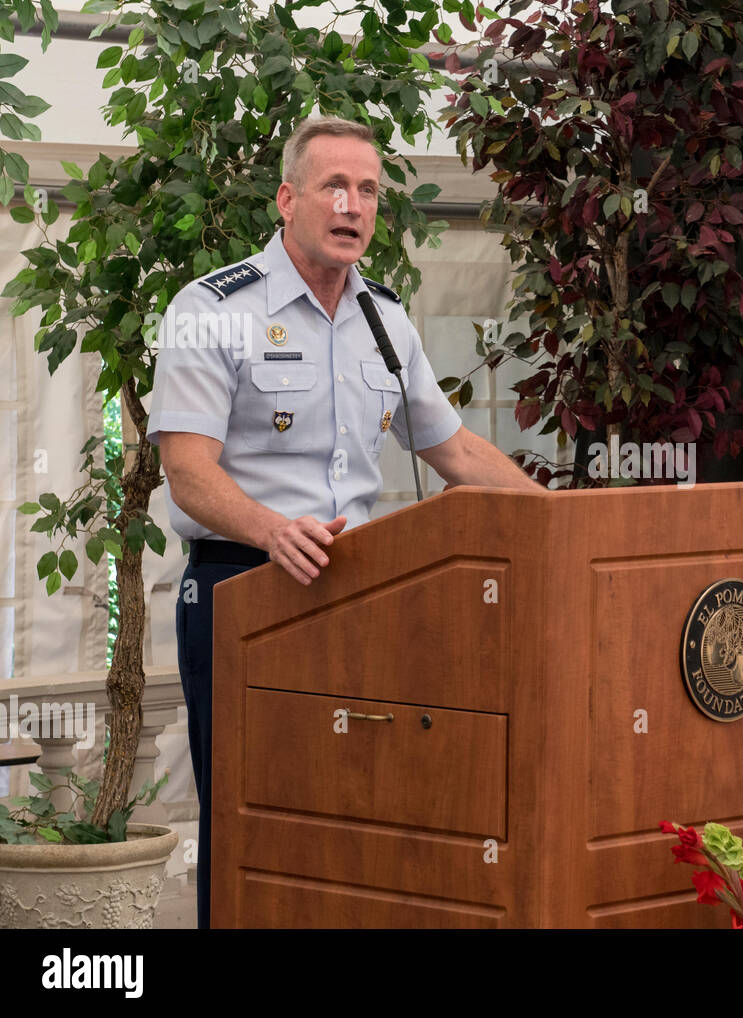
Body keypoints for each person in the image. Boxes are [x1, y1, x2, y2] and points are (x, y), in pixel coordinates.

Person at [147, 116, 543, 929]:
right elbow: (187, 470)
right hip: (243, 585)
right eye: (332, 185)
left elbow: (459, 452)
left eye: (366, 190)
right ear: (288, 199)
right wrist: (269, 529)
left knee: (355, 808)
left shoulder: (385, 320)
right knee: (250, 818)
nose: (351, 204)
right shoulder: (211, 307)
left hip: (362, 593)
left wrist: (563, 522)